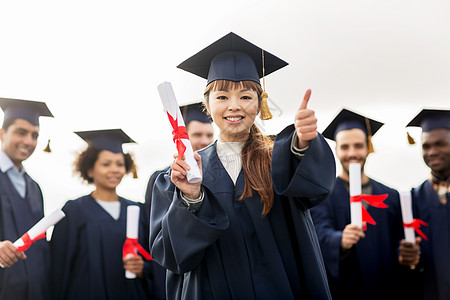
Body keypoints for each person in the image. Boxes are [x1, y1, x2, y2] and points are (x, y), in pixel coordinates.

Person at [149, 32, 336, 299]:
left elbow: (313, 189)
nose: (234, 106)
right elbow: (173, 256)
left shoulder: (281, 160)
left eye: (246, 97)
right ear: (207, 104)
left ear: (260, 103)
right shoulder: (181, 174)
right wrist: (191, 198)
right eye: (222, 97)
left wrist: (303, 144)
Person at [49, 129, 158, 300]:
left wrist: (143, 268)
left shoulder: (138, 211)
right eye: (106, 164)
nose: (114, 170)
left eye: (120, 164)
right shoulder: (74, 211)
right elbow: (59, 266)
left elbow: (157, 258)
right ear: (90, 169)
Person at [310, 108, 404, 300]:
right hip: (344, 291)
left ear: (368, 147)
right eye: (345, 147)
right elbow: (318, 235)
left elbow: (398, 244)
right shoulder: (322, 195)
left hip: (385, 290)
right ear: (336, 150)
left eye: (358, 146)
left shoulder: (390, 196)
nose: (352, 153)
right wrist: (339, 240)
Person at [144, 102, 213, 299]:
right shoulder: (163, 179)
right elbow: (155, 233)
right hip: (176, 270)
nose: (204, 141)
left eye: (209, 135)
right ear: (184, 137)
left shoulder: (220, 176)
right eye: (197, 135)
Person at [0, 97, 53, 300]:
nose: (29, 141)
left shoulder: (34, 187)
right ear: (2, 133)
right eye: (21, 133)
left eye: (34, 135)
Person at [400, 109, 450, 300]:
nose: (432, 152)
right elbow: (402, 247)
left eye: (440, 144)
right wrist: (404, 254)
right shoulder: (413, 199)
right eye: (426, 146)